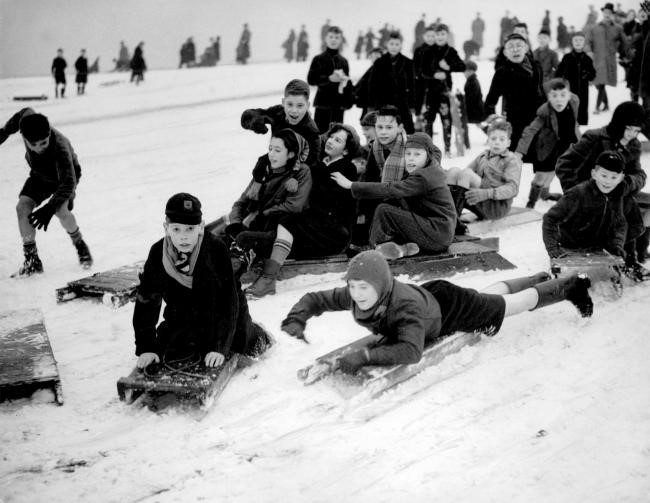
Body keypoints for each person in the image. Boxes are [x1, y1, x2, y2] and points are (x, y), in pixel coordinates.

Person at [281, 250, 593, 374]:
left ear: (380, 285)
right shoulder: (357, 294)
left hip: (451, 311)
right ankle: (538, 279)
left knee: (511, 305)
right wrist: (298, 316)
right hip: (435, 296)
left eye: (364, 287)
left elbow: (411, 350)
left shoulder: (404, 309)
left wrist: (365, 357)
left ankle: (568, 287)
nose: (357, 294)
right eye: (353, 286)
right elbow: (316, 298)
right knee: (486, 295)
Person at [133, 193, 272, 370]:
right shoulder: (157, 252)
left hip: (223, 318)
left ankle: (258, 333)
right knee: (170, 347)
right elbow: (147, 302)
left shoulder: (215, 249)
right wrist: (147, 347)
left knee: (242, 344)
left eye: (190, 229)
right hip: (184, 317)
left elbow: (228, 301)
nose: (183, 237)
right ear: (166, 228)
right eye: (176, 229)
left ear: (201, 227)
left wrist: (219, 347)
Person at [244, 125, 360, 299]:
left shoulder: (346, 168)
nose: (330, 141)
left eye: (338, 140)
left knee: (289, 218)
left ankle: (268, 279)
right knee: (274, 226)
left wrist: (311, 177)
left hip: (334, 232)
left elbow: (330, 202)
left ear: (345, 150)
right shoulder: (319, 164)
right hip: (313, 227)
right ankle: (254, 265)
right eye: (331, 137)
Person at [555, 101, 649, 267]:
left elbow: (639, 174)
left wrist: (627, 183)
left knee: (645, 206)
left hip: (618, 192)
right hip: (591, 193)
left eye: (637, 131)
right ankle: (626, 256)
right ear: (618, 124)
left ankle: (638, 249)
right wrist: (576, 193)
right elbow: (564, 164)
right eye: (628, 129)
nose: (631, 134)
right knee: (624, 210)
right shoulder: (595, 137)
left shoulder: (634, 145)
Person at [331, 132, 455, 258]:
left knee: (384, 210)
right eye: (408, 154)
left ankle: (375, 250)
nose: (411, 158)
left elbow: (390, 188)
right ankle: (400, 248)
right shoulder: (430, 166)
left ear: (427, 156)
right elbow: (435, 150)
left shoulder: (423, 177)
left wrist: (352, 185)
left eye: (417, 154)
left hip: (437, 234)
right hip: (438, 231)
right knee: (392, 204)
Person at [0, 108, 92, 276]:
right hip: (40, 175)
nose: (39, 148)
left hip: (64, 178)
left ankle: (79, 243)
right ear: (25, 137)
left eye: (43, 142)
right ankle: (32, 260)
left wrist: (49, 208)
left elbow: (68, 183)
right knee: (22, 208)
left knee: (61, 211)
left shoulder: (60, 147)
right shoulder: (28, 123)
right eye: (33, 144)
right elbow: (24, 112)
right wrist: (4, 132)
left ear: (49, 133)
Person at [218, 129, 312, 286]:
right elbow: (241, 202)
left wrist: (261, 214)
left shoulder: (301, 173)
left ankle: (227, 280)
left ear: (291, 154)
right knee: (218, 233)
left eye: (277, 150)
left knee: (242, 239)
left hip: (278, 230)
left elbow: (294, 206)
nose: (271, 154)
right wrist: (235, 223)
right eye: (270, 149)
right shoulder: (262, 171)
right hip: (253, 222)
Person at [543, 151, 644, 262]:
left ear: (621, 178)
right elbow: (550, 218)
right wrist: (552, 248)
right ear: (594, 174)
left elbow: (619, 224)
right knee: (575, 278)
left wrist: (617, 245)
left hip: (597, 251)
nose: (607, 181)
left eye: (614, 177)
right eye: (604, 175)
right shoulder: (577, 193)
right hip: (571, 249)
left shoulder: (616, 196)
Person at [240, 79, 321, 189]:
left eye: (300, 106)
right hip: (274, 162)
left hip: (294, 171)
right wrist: (254, 120)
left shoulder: (311, 129)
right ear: (283, 103)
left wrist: (296, 177)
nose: (294, 110)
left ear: (308, 105)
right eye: (290, 104)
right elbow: (256, 113)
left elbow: (313, 161)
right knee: (257, 176)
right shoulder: (278, 112)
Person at [348, 106, 409, 250]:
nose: (383, 132)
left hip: (405, 199)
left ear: (399, 128)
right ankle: (365, 239)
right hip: (384, 194)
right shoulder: (376, 148)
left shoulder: (409, 146)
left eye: (388, 127)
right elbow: (369, 178)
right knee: (362, 197)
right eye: (380, 127)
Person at [446, 119, 522, 234]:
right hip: (477, 200)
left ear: (508, 143)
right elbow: (463, 174)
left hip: (496, 207)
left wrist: (487, 193)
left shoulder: (511, 160)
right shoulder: (483, 156)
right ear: (488, 141)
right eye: (493, 139)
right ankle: (449, 217)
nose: (497, 142)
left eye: (502, 139)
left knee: (466, 174)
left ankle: (453, 222)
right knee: (454, 171)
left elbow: (513, 189)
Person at [515, 78, 580, 208]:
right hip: (548, 148)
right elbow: (530, 131)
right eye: (554, 96)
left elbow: (575, 123)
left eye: (563, 95)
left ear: (569, 95)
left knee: (555, 172)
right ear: (549, 97)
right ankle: (531, 202)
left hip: (566, 145)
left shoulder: (574, 102)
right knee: (542, 175)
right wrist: (519, 151)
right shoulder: (544, 111)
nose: (559, 99)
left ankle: (545, 194)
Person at [485, 33, 545, 150]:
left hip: (537, 117)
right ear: (505, 52)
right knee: (516, 155)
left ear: (526, 49)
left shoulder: (536, 66)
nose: (515, 49)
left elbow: (540, 89)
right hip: (516, 119)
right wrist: (491, 114)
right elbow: (492, 97)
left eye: (519, 46)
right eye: (510, 47)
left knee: (539, 154)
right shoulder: (502, 72)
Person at [416, 24, 466, 155]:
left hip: (445, 92)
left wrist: (448, 67)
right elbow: (421, 71)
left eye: (443, 34)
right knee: (428, 121)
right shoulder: (428, 51)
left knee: (446, 120)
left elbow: (462, 66)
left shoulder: (451, 51)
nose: (440, 37)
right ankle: (428, 149)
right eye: (437, 34)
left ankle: (448, 148)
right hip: (430, 91)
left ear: (447, 36)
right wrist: (434, 74)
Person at [367, 31, 416, 135]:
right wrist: (371, 105)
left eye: (397, 44)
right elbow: (372, 85)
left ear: (401, 45)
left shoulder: (408, 63)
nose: (394, 47)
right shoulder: (379, 62)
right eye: (391, 44)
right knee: (385, 133)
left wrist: (412, 105)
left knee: (407, 133)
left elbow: (412, 86)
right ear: (387, 44)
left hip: (402, 105)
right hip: (383, 104)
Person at [307, 26, 353, 133]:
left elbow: (348, 84)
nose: (333, 40)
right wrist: (328, 79)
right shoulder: (318, 59)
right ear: (325, 38)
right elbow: (311, 80)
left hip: (338, 106)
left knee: (337, 135)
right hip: (322, 104)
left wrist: (346, 84)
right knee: (321, 135)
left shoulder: (344, 61)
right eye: (331, 37)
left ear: (341, 40)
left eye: (337, 37)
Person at [585, 3, 626, 113]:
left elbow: (624, 43)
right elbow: (588, 41)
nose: (607, 15)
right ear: (602, 13)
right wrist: (588, 51)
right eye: (605, 12)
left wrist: (624, 54)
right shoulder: (595, 27)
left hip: (609, 61)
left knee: (601, 82)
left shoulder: (617, 28)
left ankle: (597, 107)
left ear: (612, 14)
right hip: (597, 59)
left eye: (609, 13)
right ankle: (606, 104)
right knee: (598, 83)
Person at [555, 32, 596, 125]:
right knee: (569, 114)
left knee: (581, 114)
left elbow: (593, 75)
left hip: (583, 91)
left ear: (584, 42)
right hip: (569, 90)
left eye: (580, 40)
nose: (578, 42)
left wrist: (587, 74)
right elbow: (559, 72)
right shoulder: (567, 57)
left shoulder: (587, 59)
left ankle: (579, 130)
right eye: (576, 40)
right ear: (572, 42)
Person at [354, 47, 383, 119]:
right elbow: (360, 85)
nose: (375, 58)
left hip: (376, 106)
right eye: (373, 56)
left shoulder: (383, 70)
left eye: (377, 56)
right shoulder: (370, 70)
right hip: (368, 105)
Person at [464, 61, 484, 125]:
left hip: (475, 113)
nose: (463, 73)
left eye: (465, 71)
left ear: (471, 71)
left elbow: (471, 99)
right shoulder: (471, 80)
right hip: (474, 112)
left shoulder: (473, 82)